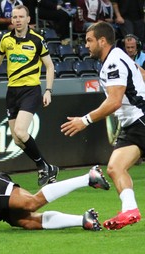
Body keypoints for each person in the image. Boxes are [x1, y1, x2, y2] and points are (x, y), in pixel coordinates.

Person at [61, 21, 144, 230]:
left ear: (103, 40)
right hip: (134, 124)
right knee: (116, 168)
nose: (86, 45)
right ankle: (130, 210)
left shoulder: (114, 61)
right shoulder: (117, 57)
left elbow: (114, 101)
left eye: (89, 41)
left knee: (116, 167)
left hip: (140, 120)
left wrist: (84, 120)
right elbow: (141, 74)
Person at [0, 5, 58, 187]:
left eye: (21, 17)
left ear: (28, 19)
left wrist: (48, 90)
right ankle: (47, 167)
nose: (18, 20)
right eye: (14, 17)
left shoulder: (37, 40)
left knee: (21, 132)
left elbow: (50, 66)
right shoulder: (6, 40)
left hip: (31, 90)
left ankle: (41, 166)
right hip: (12, 92)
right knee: (16, 139)